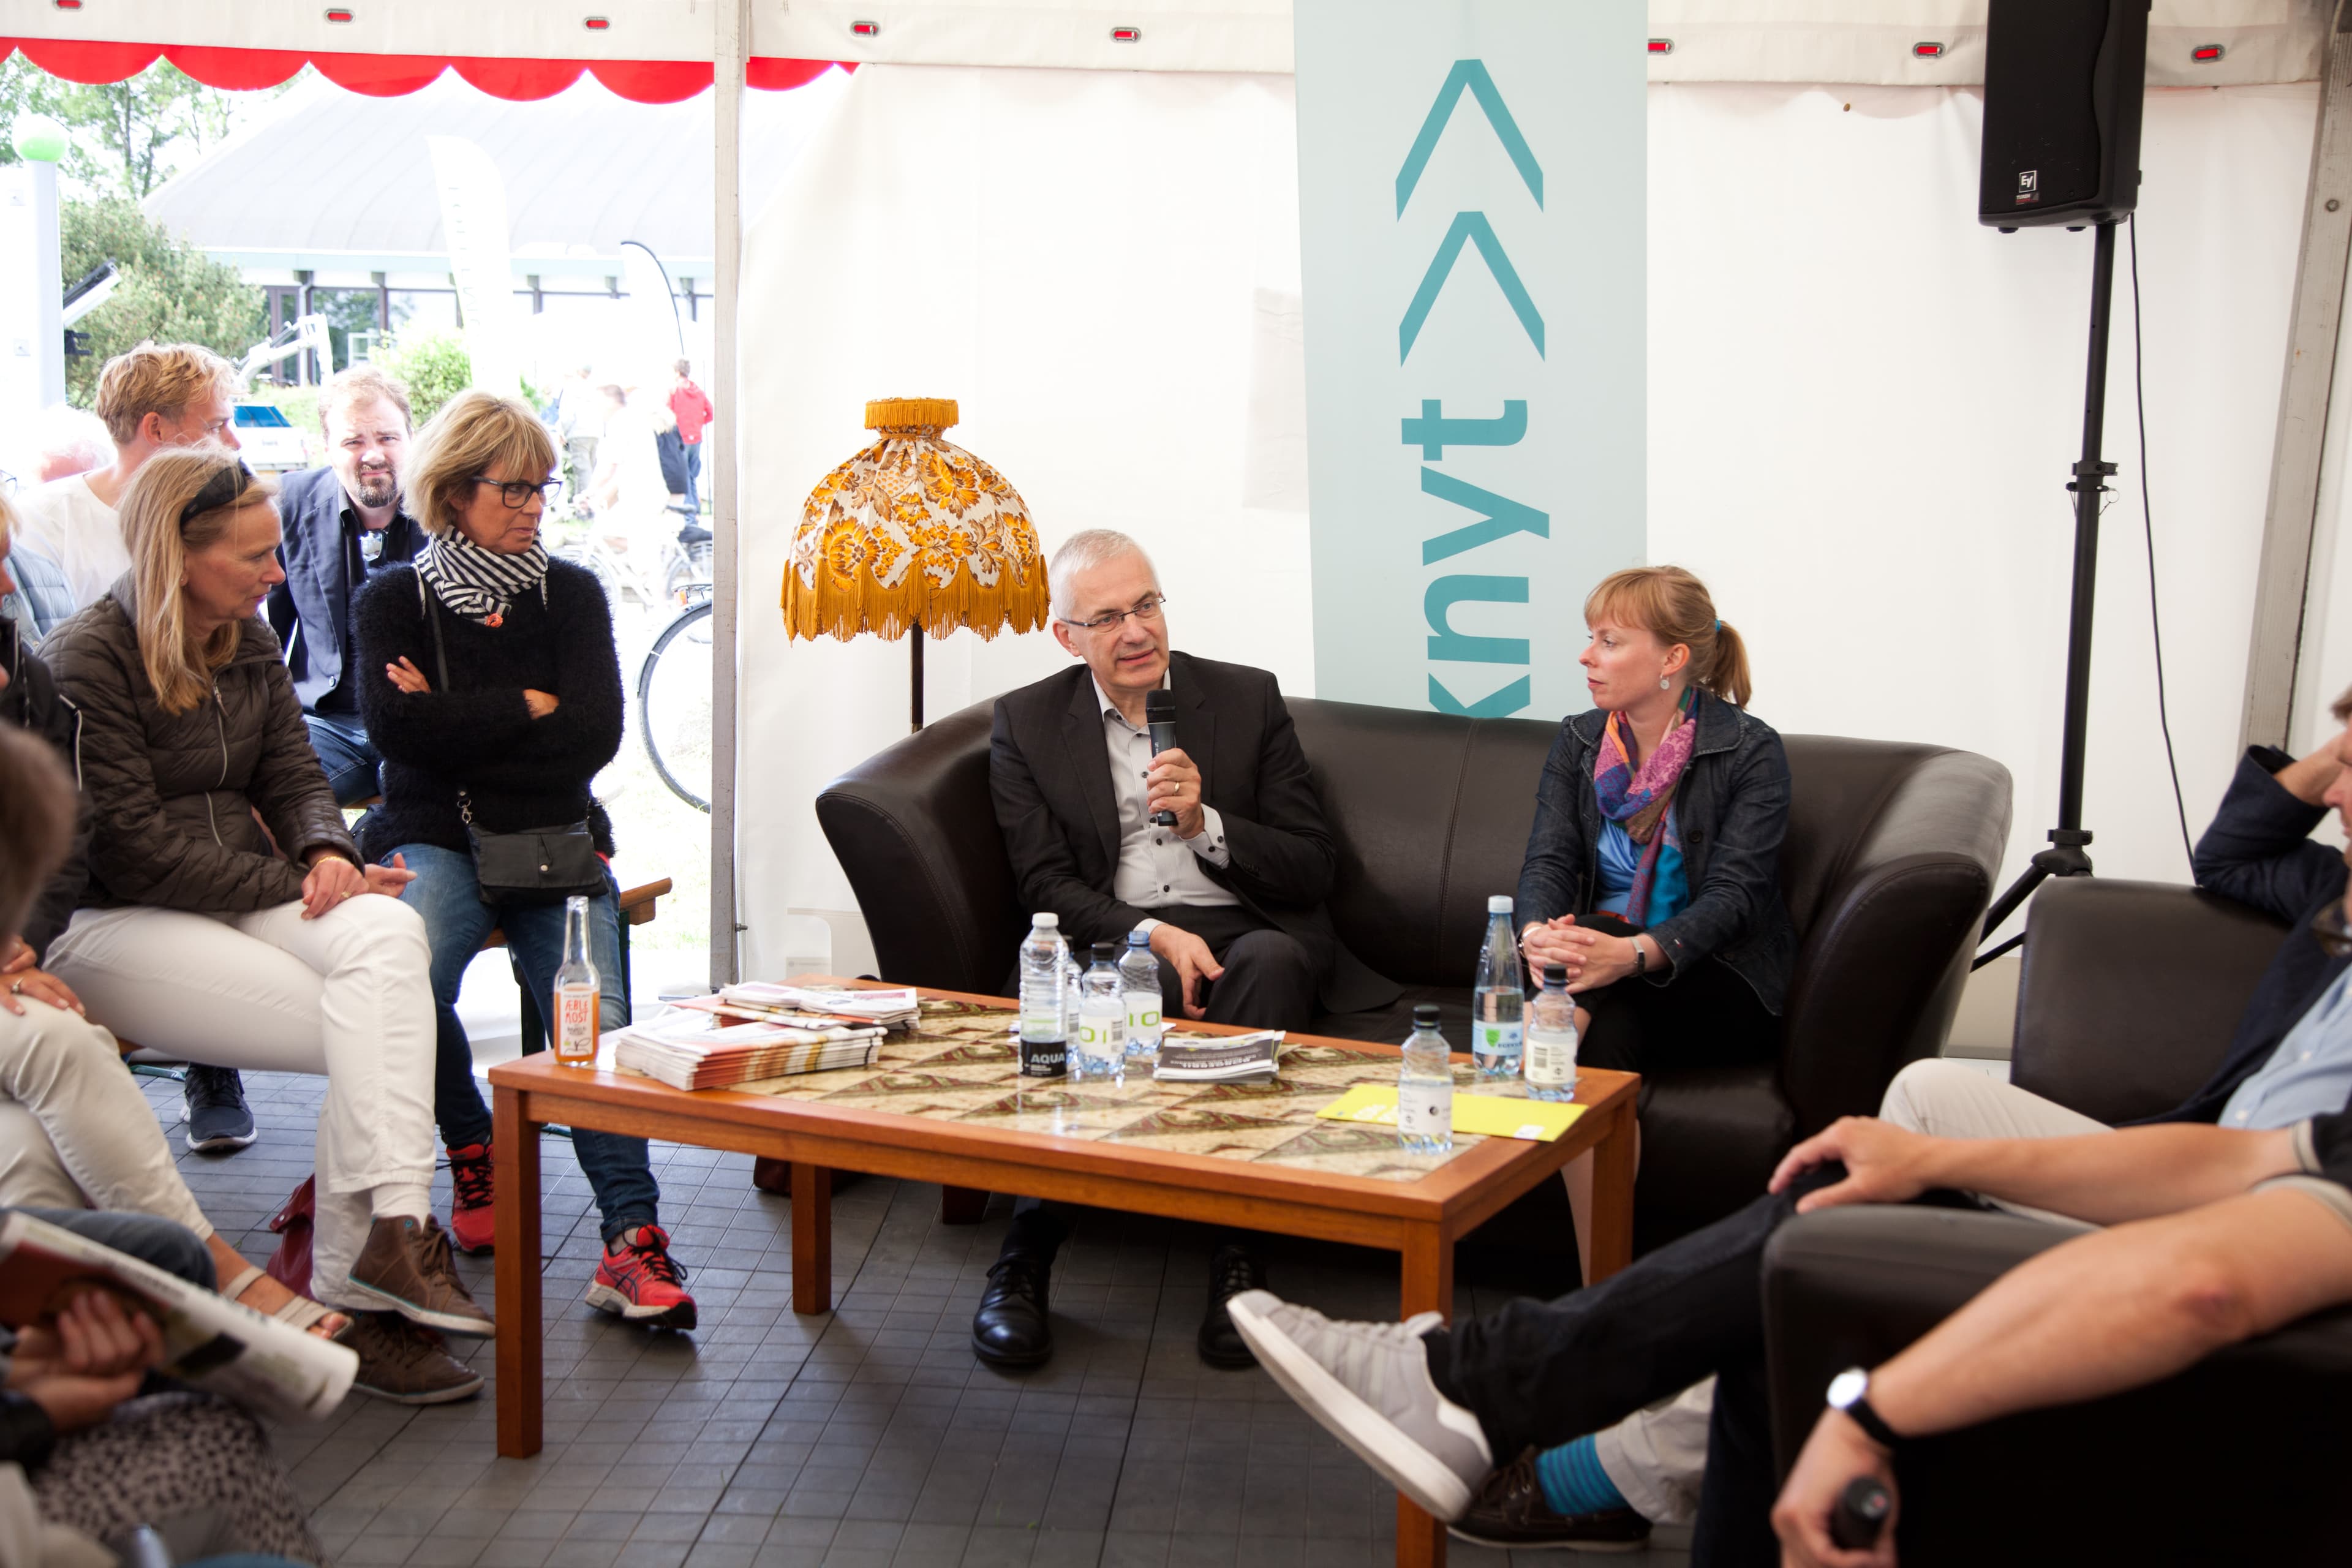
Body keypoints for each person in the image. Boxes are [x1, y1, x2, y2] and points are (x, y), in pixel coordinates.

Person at [1474, 684, 2352, 1552]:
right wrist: (2330, 761)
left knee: (1818, 1273)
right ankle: (1831, 1282)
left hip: (2261, 1215)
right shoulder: (2338, 893)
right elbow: (2234, 853)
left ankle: (1614, 1462)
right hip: (2215, 1151)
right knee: (1926, 1094)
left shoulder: (1741, 747)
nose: (2336, 792)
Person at [36, 447, 493, 1366]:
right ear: (177, 556)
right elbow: (133, 851)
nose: (276, 575)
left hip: (242, 886)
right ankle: (357, 1280)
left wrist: (327, 848)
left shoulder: (241, 638)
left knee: (388, 936)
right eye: (252, 558)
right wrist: (308, 879)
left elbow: (294, 771)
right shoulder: (85, 658)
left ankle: (390, 1232)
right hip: (110, 925)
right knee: (379, 1025)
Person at [972, 528, 1399, 1371]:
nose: (1137, 632)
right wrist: (1155, 936)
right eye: (1108, 618)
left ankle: (1238, 1257)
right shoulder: (1026, 724)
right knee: (1097, 993)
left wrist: (1210, 825)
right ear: (1067, 636)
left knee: (1273, 965)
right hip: (1117, 934)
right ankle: (1024, 1257)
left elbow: (1313, 865)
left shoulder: (1245, 701)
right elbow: (1044, 884)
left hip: (1246, 931)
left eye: (1147, 605)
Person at [350, 390, 696, 1328]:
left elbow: (595, 737)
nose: (536, 506)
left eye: (544, 488)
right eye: (514, 490)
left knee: (596, 1026)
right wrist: (526, 704)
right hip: (434, 831)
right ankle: (471, 1143)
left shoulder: (572, 593)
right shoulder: (393, 599)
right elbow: (393, 732)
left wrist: (461, 716)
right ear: (455, 492)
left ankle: (631, 1240)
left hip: (553, 835)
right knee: (404, 974)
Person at [265, 366, 422, 806]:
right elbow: (264, 633)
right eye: (354, 441)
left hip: (423, 722)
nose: (373, 454)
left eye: (388, 438)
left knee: (423, 814)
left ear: (411, 439)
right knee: (273, 803)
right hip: (324, 724)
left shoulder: (450, 507)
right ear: (328, 449)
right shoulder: (288, 503)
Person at [9, 343, 243, 610]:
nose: (234, 443)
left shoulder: (229, 514)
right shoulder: (43, 520)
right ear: (156, 429)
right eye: (215, 427)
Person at [668, 357, 712, 515]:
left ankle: (688, 515)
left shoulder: (674, 390)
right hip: (696, 439)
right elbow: (711, 413)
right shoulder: (698, 391)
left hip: (681, 440)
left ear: (677, 372)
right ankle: (695, 511)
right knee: (692, 477)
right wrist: (698, 423)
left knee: (682, 478)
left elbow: (667, 416)